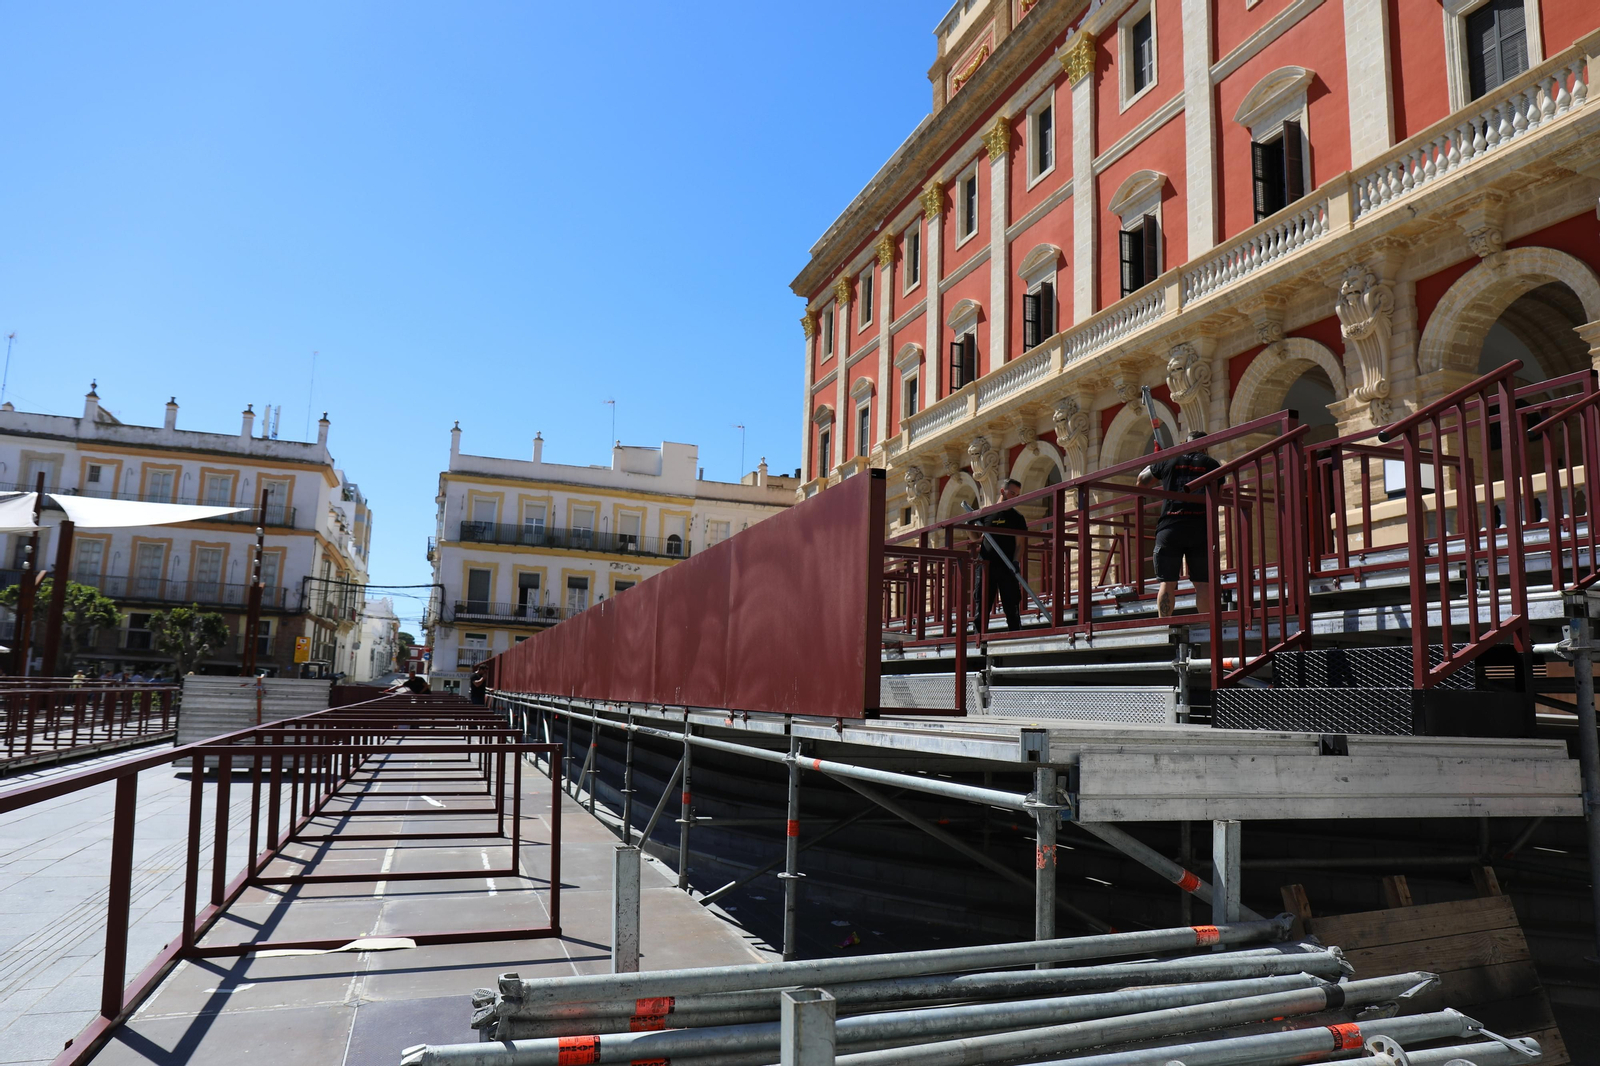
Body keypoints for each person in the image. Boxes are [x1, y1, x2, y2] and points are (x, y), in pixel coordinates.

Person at [1137, 431, 1221, 617]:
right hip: (1200, 528)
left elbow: (1141, 482)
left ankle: (1164, 624)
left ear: (1185, 443)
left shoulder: (1170, 459)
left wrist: (1157, 460)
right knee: (1203, 583)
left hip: (1170, 526)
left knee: (1167, 582)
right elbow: (1217, 494)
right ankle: (1207, 626)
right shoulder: (1211, 464)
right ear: (1205, 447)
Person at [974, 479, 1029, 632]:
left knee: (1011, 605)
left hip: (1007, 567)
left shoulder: (1017, 518)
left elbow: (1020, 545)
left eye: (1017, 495)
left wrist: (1016, 562)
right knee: (982, 605)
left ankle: (1015, 638)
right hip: (986, 567)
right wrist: (969, 525)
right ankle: (980, 641)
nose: (1014, 497)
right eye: (1012, 493)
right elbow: (974, 538)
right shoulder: (986, 513)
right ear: (1002, 491)